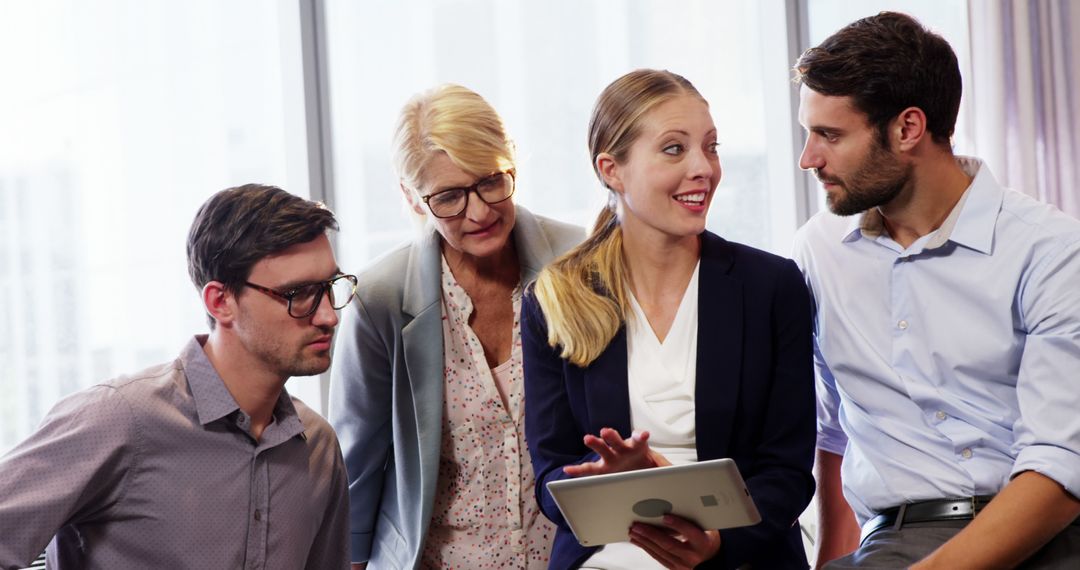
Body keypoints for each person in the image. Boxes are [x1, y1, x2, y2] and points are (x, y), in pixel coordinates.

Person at [791, 11, 1080, 569]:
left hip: (1049, 536)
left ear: (907, 129)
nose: (809, 159)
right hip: (894, 540)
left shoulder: (1051, 251)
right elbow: (832, 432)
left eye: (829, 135)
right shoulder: (818, 252)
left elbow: (1061, 464)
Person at [522, 68, 816, 570]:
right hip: (610, 558)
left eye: (712, 147)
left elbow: (787, 471)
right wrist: (608, 481)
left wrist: (719, 543)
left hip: (742, 557)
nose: (704, 168)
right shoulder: (555, 298)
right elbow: (551, 475)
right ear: (612, 170)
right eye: (675, 149)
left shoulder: (772, 287)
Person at [0, 184, 353, 569]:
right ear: (221, 302)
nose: (328, 316)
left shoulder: (318, 447)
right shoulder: (117, 420)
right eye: (298, 294)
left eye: (330, 288)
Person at [328, 84, 583, 569]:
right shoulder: (380, 298)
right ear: (413, 198)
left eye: (491, 181)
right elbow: (356, 462)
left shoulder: (577, 260)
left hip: (569, 557)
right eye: (449, 197)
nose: (481, 211)